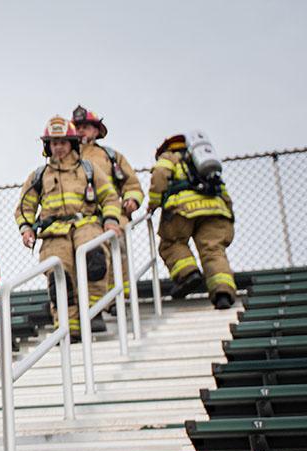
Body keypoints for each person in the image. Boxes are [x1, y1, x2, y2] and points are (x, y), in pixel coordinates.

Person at [16, 115, 122, 337]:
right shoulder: (39, 176)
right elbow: (25, 206)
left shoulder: (89, 169)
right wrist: (26, 228)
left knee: (94, 260)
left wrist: (111, 220)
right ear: (48, 146)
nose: (59, 148)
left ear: (72, 143)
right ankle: (68, 328)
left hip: (87, 224)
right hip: (53, 234)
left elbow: (109, 198)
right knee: (59, 278)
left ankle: (93, 314)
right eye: (54, 143)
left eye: (63, 142)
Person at [148, 133, 236, 308]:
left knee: (171, 243)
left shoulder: (169, 156)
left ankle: (188, 274)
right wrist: (229, 214)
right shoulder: (203, 164)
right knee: (213, 251)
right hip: (216, 209)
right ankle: (222, 293)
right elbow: (223, 193)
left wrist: (154, 203)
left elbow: (160, 175)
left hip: (182, 210)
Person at [72, 105, 144, 305]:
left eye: (85, 126)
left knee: (116, 254)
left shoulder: (111, 156)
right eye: (77, 127)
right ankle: (91, 302)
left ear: (96, 130)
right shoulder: (65, 159)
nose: (81, 131)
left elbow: (132, 184)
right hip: (81, 219)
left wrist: (132, 200)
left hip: (111, 214)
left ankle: (119, 299)